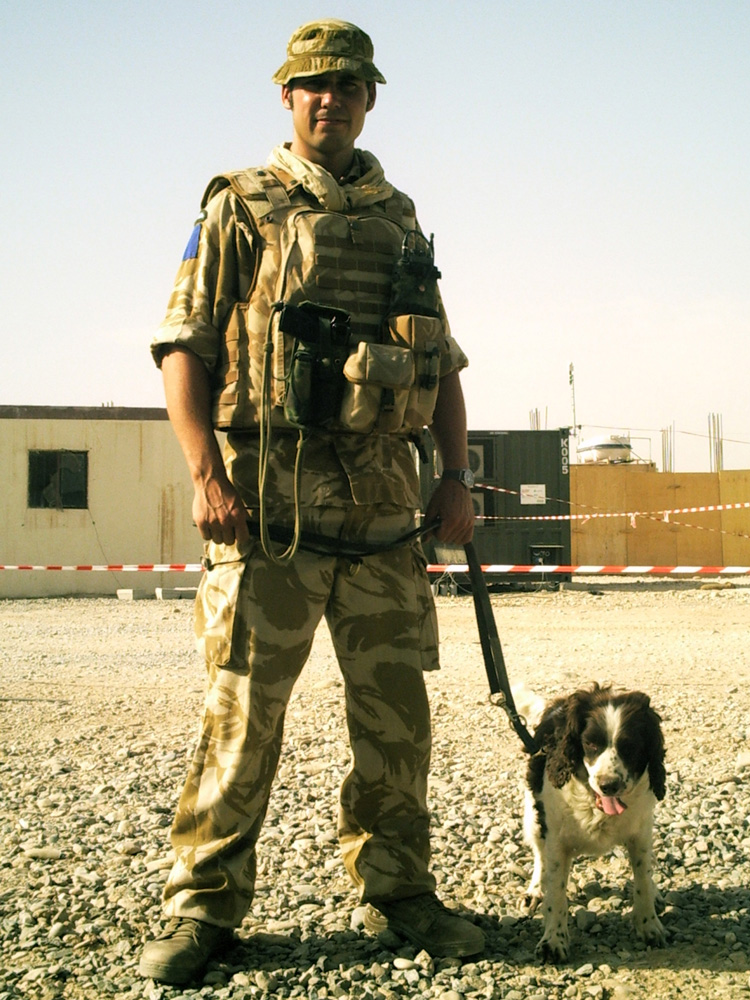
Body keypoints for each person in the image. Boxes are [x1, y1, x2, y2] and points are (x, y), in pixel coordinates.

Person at [138, 18, 484, 985]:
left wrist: (453, 478)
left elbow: (441, 365)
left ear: (371, 99)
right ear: (286, 98)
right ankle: (201, 911)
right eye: (312, 85)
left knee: (395, 724)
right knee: (241, 722)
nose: (330, 98)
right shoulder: (240, 207)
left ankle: (400, 893)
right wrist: (205, 474)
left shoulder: (402, 218)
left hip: (382, 519)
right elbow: (185, 350)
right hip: (268, 516)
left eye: (348, 85)